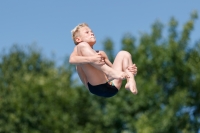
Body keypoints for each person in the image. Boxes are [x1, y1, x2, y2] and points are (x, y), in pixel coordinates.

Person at [69, 23, 138, 98]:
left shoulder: (101, 54)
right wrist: (91, 59)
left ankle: (130, 80)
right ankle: (111, 72)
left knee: (124, 53)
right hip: (95, 86)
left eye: (91, 31)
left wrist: (128, 71)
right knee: (82, 46)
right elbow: (71, 60)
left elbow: (115, 73)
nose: (91, 33)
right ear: (78, 39)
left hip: (112, 86)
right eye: (87, 32)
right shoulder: (79, 47)